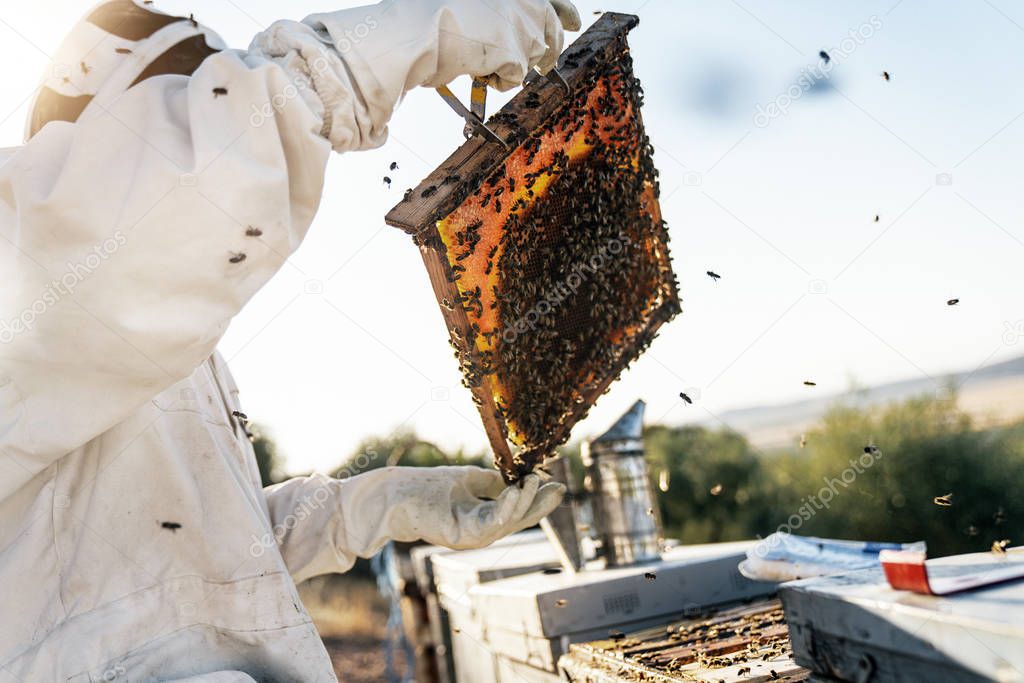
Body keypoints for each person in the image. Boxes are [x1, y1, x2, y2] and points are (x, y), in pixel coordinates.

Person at [0, 0, 579, 679]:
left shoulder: (144, 336)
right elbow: (183, 198)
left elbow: (194, 542)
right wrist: (369, 51)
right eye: (186, 110)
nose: (205, 125)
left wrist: (377, 506)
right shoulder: (32, 270)